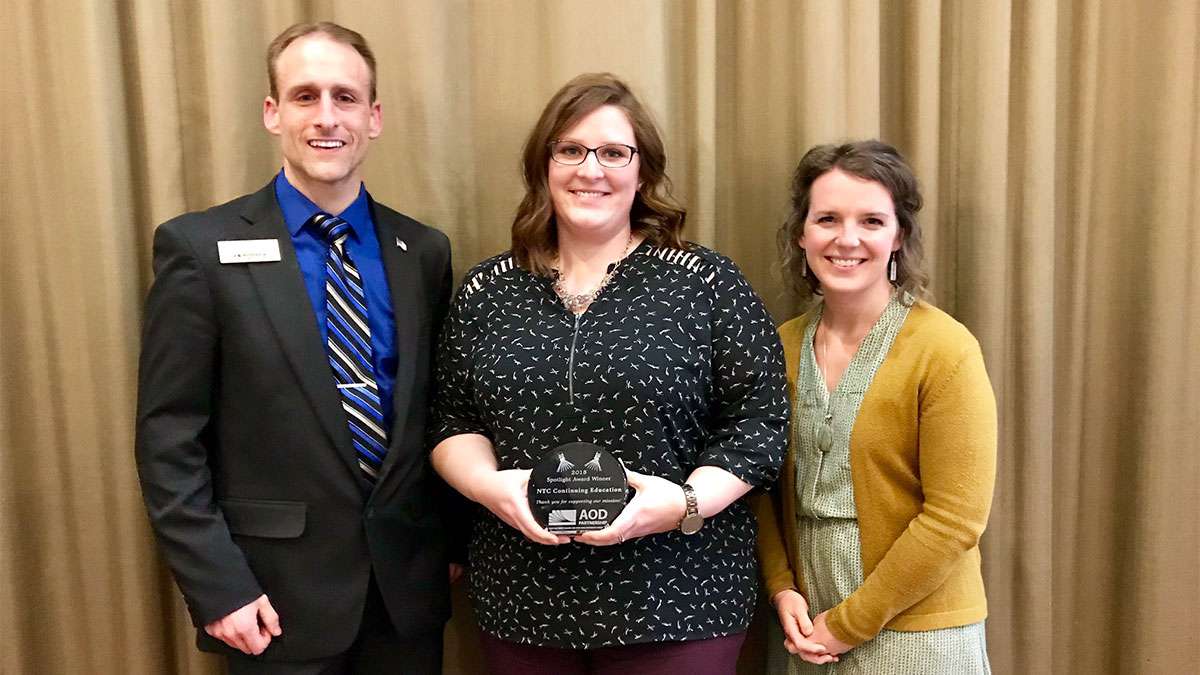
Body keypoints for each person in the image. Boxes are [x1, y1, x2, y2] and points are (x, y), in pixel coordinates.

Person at [427, 73, 788, 675]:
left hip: (678, 597)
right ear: (543, 166)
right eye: (570, 150)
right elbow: (450, 419)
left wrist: (685, 501)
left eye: (614, 153)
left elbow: (760, 423)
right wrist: (488, 487)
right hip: (522, 600)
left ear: (642, 171)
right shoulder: (487, 290)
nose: (590, 170)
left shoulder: (706, 284)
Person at [135, 22, 457, 674]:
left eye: (345, 97)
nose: (326, 116)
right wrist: (219, 585)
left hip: (405, 599)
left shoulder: (422, 250)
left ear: (374, 117)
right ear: (272, 112)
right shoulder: (200, 250)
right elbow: (170, 439)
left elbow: (441, 410)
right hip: (271, 602)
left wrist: (450, 541)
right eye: (305, 96)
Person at [753, 140, 997, 673]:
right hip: (809, 630)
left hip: (918, 633)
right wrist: (781, 590)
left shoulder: (945, 350)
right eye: (827, 219)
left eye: (870, 220)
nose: (847, 239)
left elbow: (956, 520)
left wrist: (850, 624)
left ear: (898, 236)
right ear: (802, 233)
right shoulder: (780, 347)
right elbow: (760, 486)